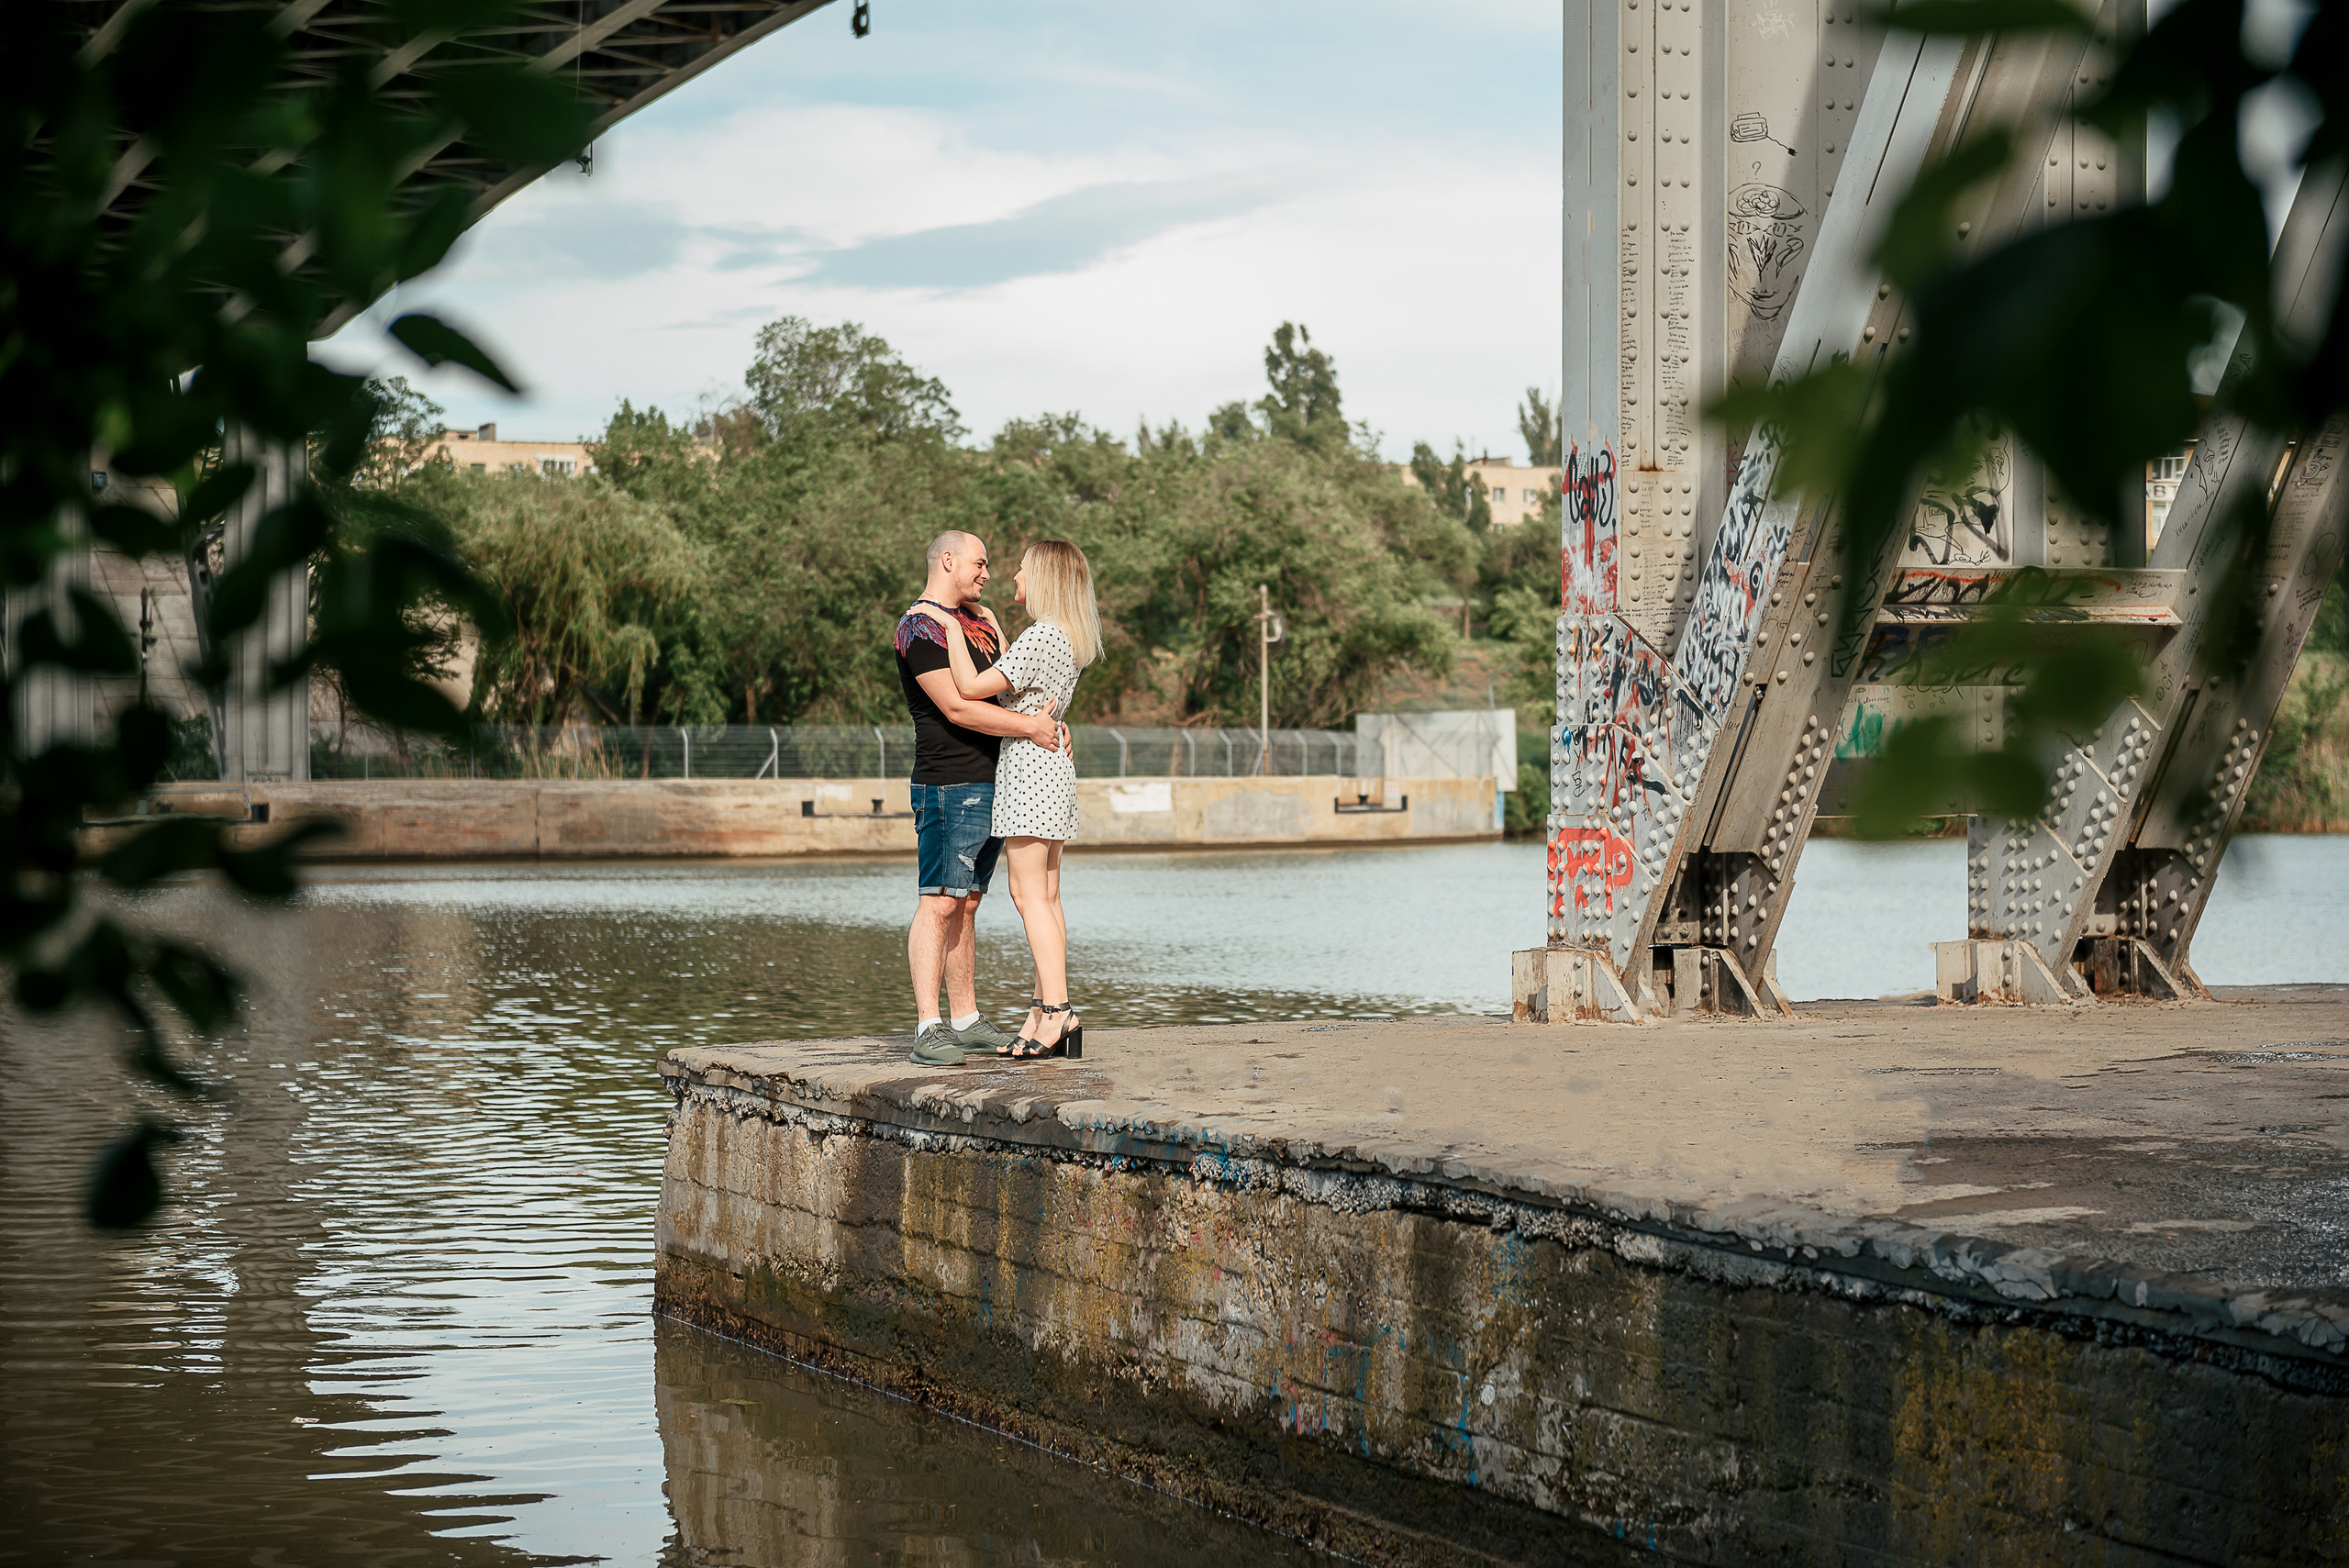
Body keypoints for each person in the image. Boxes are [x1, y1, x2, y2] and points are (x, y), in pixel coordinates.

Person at [914, 539, 1098, 1061]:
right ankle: (1043, 1011)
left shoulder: (1040, 635)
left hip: (1027, 774)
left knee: (1028, 897)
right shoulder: (1067, 638)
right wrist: (989, 627)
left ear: (1042, 578)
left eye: (1018, 569)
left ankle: (1057, 1011)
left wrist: (951, 627)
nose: (1008, 576)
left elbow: (969, 690)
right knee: (1049, 896)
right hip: (1053, 771)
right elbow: (1029, 696)